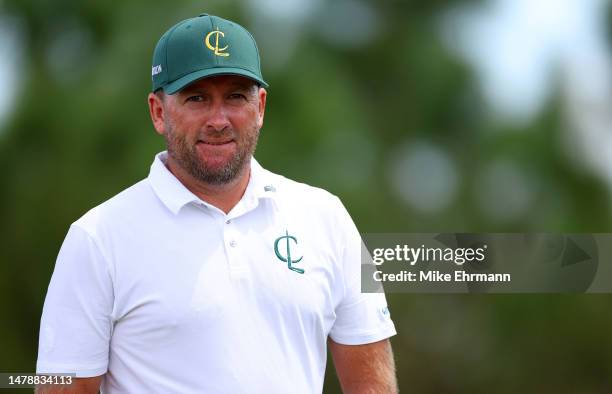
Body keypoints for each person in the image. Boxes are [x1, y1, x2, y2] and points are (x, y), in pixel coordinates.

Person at [36, 13, 397, 393]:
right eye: (197, 98)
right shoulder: (95, 238)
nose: (219, 119)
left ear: (260, 107)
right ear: (158, 112)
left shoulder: (330, 217)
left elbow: (372, 383)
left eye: (235, 97)